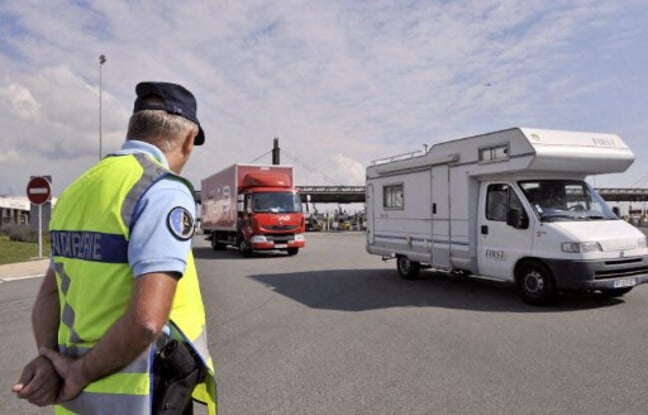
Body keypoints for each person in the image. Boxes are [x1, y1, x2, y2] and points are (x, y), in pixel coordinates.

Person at [12, 82, 217, 414]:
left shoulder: (77, 191)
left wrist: (50, 359)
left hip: (76, 403)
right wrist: (79, 373)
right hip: (143, 397)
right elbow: (148, 320)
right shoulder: (163, 190)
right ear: (189, 140)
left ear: (133, 127)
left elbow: (50, 294)